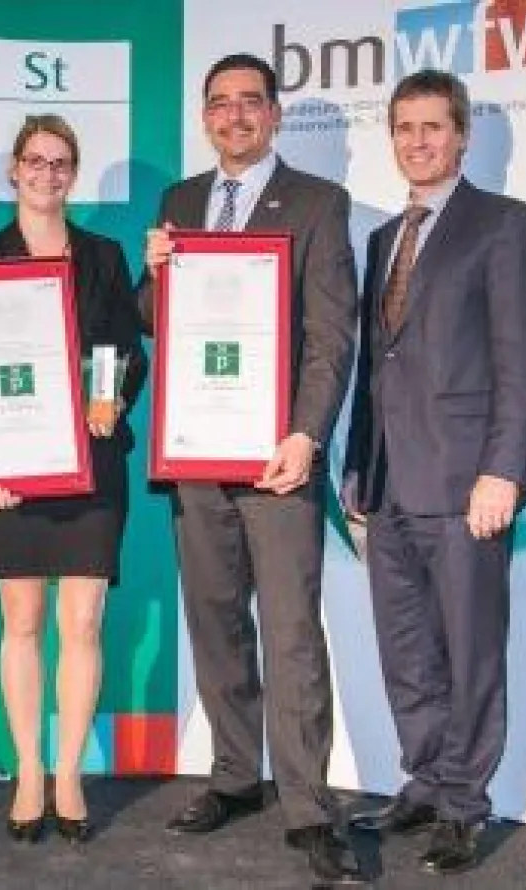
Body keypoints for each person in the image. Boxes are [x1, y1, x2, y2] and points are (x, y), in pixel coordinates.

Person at [140, 54, 364, 884]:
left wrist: (307, 435)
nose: (233, 115)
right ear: (205, 117)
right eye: (220, 103)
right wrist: (154, 273)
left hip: (277, 460)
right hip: (198, 454)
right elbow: (152, 319)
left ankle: (308, 807)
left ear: (273, 114)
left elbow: (331, 335)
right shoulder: (180, 202)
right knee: (215, 619)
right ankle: (235, 776)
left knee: (292, 633)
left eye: (249, 103)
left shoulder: (317, 202)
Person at [343, 69, 526, 875]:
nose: (417, 141)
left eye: (433, 126)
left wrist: (504, 471)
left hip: (468, 485)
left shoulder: (503, 224)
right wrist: (358, 472)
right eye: (404, 127)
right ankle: (427, 781)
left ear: (461, 134)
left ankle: (465, 804)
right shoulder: (382, 241)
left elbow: (522, 360)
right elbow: (375, 368)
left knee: (471, 652)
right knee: (407, 650)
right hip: (389, 484)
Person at [0, 115, 148, 845]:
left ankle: (68, 774)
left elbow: (128, 353)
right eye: (35, 161)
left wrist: (114, 396)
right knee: (21, 622)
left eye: (60, 162)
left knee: (83, 623)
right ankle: (29, 772)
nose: (47, 173)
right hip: (12, 470)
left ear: (73, 173)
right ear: (14, 170)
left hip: (92, 464)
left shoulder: (103, 256)